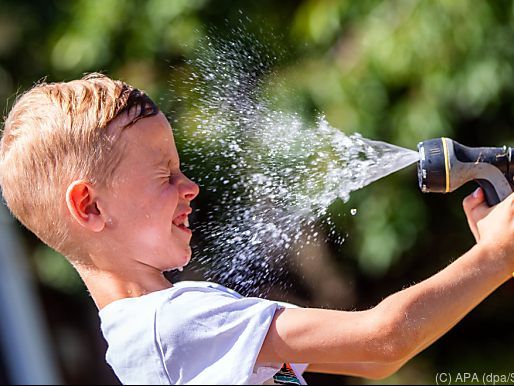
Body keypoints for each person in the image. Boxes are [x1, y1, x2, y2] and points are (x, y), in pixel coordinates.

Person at [1, 73, 513, 385]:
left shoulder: (172, 324)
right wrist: (495, 257)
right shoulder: (169, 327)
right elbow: (382, 340)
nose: (190, 187)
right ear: (89, 207)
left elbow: (371, 362)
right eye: (165, 175)